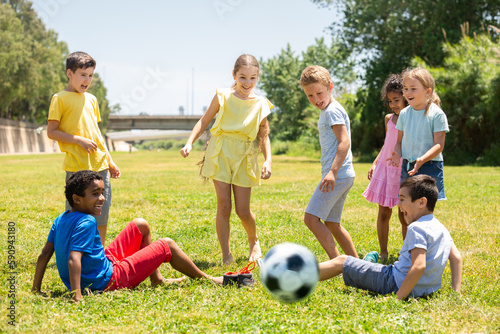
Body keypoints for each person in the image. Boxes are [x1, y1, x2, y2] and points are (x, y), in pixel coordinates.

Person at [32, 170, 223, 303]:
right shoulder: (87, 222)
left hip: (103, 265)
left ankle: (156, 278)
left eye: (102, 192)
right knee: (167, 245)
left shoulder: (61, 219)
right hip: (108, 281)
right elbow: (74, 259)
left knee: (140, 225)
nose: (101, 199)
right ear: (77, 199)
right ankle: (207, 279)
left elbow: (44, 255)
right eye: (95, 194)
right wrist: (77, 296)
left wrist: (36, 289)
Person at [180, 54, 272, 264]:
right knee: (224, 206)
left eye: (252, 78)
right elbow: (204, 121)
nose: (247, 83)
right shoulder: (222, 95)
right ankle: (226, 254)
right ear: (234, 75)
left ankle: (253, 240)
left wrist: (268, 161)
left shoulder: (260, 103)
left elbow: (263, 135)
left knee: (242, 210)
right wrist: (189, 142)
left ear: (258, 77)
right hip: (220, 152)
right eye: (242, 77)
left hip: (244, 156)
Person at [318, 175, 462, 300]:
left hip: (393, 282)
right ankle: (368, 265)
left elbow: (419, 265)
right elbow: (456, 258)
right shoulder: (440, 228)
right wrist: (456, 292)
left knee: (342, 261)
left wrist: (398, 298)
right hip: (426, 290)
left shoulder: (417, 228)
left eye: (402, 199)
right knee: (373, 268)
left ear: (421, 202)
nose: (399, 204)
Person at [47, 51, 120, 246]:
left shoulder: (92, 99)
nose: (87, 80)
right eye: (82, 74)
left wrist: (110, 162)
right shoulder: (59, 98)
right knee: (76, 211)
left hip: (100, 165)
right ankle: (71, 251)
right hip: (77, 166)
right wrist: (79, 140)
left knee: (101, 210)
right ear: (69, 73)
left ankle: (98, 253)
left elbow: (96, 133)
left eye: (90, 75)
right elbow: (52, 132)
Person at [299, 65, 358, 260]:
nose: (316, 99)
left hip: (338, 175)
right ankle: (357, 265)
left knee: (311, 219)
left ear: (330, 87)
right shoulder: (329, 109)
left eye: (319, 93)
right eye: (310, 96)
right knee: (332, 223)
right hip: (343, 174)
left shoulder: (332, 110)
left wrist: (332, 172)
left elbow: (344, 141)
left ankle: (339, 264)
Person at [388, 67, 449, 238]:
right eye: (406, 88)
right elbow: (399, 141)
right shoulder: (405, 114)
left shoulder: (436, 114)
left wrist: (422, 159)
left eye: (413, 89)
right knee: (405, 208)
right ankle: (409, 247)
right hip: (408, 167)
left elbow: (439, 145)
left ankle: (427, 245)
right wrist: (396, 154)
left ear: (428, 91)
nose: (408, 92)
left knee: (423, 211)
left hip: (430, 166)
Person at [362, 74, 408, 261]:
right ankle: (383, 252)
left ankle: (406, 253)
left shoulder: (412, 118)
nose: (393, 105)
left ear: (406, 97)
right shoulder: (389, 119)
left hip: (403, 169)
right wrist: (374, 162)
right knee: (383, 213)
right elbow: (386, 144)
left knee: (404, 214)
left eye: (396, 100)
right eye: (390, 101)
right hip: (385, 169)